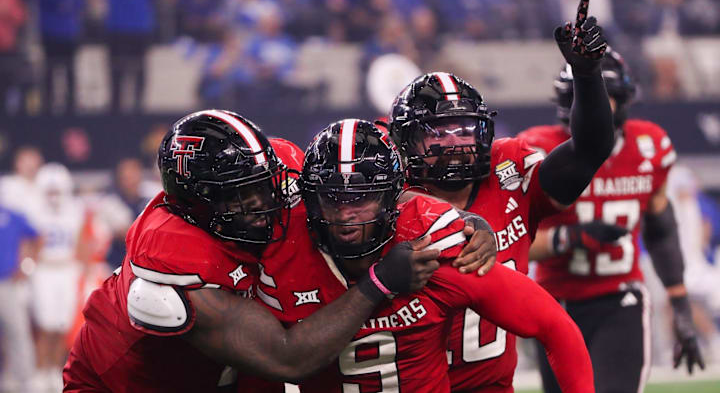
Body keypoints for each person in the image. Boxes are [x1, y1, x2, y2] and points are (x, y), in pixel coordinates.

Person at [63, 110, 440, 392]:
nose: (263, 203)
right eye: (240, 197)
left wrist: (456, 219)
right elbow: (286, 358)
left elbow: (361, 185)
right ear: (197, 204)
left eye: (262, 185)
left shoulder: (281, 168)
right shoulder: (176, 262)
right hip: (125, 383)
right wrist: (379, 283)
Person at [245, 120, 594, 393]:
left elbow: (554, 325)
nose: (347, 212)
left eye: (361, 197)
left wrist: (470, 221)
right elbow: (273, 365)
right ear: (309, 199)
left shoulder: (432, 244)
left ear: (391, 199)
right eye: (333, 197)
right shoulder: (279, 249)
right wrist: (380, 283)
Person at [387, 0, 615, 391]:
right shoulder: (387, 199)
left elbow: (589, 150)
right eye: (440, 133)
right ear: (406, 143)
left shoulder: (509, 171)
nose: (456, 143)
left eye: (465, 129)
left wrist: (587, 75)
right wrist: (458, 221)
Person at [517, 49, 704, 393]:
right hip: (553, 304)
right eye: (582, 97)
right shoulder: (536, 149)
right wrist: (572, 237)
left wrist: (680, 308)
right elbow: (512, 242)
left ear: (621, 100)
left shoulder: (649, 145)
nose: (591, 107)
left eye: (601, 97)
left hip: (619, 299)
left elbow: (661, 230)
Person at [31, 163, 88, 391]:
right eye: (49, 191)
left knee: (62, 325)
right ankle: (39, 372)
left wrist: (83, 268)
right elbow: (29, 244)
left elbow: (81, 242)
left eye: (57, 190)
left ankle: (54, 371)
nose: (53, 196)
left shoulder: (75, 210)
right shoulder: (34, 210)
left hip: (67, 269)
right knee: (45, 324)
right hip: (43, 270)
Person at [0, 201, 40, 392]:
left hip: (8, 283)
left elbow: (36, 235)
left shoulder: (9, 214)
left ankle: (25, 380)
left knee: (18, 332)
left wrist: (27, 264)